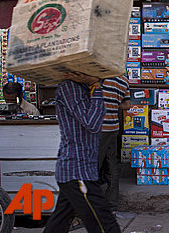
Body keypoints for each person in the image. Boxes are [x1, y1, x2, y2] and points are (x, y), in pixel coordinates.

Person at [43, 72, 120, 233]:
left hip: (80, 169)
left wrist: (94, 86)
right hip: (78, 169)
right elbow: (91, 123)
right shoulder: (71, 87)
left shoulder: (85, 87)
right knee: (104, 224)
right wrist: (97, 87)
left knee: (58, 224)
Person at [99, 75, 130, 213]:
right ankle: (111, 204)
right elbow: (127, 105)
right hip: (113, 127)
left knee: (92, 166)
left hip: (99, 128)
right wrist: (113, 103)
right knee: (112, 165)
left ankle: (89, 205)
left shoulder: (100, 77)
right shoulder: (123, 80)